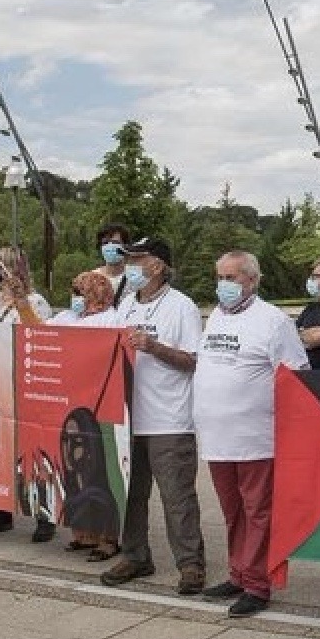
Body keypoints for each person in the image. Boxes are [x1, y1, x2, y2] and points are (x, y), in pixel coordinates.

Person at [193, 251, 310, 618]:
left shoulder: (274, 322)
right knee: (232, 512)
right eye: (220, 277)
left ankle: (258, 584)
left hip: (256, 436)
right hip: (216, 435)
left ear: (253, 280)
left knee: (257, 511)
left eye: (233, 277)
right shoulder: (215, 317)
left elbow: (297, 375)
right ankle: (239, 572)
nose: (224, 285)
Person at [101, 239, 209, 596]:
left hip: (169, 418)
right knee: (132, 494)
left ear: (158, 266)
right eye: (128, 259)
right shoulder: (127, 305)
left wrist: (154, 347)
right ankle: (135, 555)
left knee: (176, 496)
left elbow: (195, 360)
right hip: (130, 417)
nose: (130, 265)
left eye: (137, 259)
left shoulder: (182, 307)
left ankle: (190, 564)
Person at [45, 271, 127, 560]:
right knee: (74, 471)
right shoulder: (67, 318)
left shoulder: (113, 319)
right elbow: (36, 332)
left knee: (98, 470)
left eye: (82, 292)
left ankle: (109, 537)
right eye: (74, 292)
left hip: (99, 402)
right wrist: (20, 302)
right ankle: (84, 534)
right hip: (69, 401)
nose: (76, 298)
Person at [0, 246, 55, 542]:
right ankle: (0, 512)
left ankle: (43, 514)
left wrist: (22, 304)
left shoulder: (36, 301)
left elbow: (42, 335)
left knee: (32, 450)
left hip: (26, 382)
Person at [93, 223, 133, 308]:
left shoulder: (134, 277)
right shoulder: (92, 278)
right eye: (105, 243)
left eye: (115, 242)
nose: (110, 246)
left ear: (125, 246)